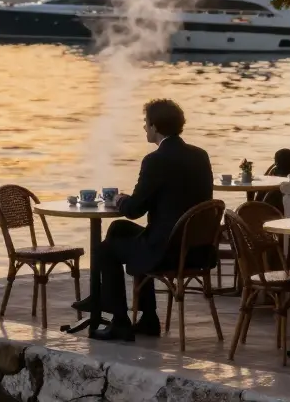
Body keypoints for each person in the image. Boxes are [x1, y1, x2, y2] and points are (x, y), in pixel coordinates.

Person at [85, 98, 213, 342]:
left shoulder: (155, 160)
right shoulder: (200, 155)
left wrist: (121, 200)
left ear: (154, 127)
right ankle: (148, 318)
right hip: (197, 248)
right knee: (119, 228)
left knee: (104, 251)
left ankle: (120, 321)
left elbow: (135, 210)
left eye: (146, 123)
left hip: (169, 251)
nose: (144, 128)